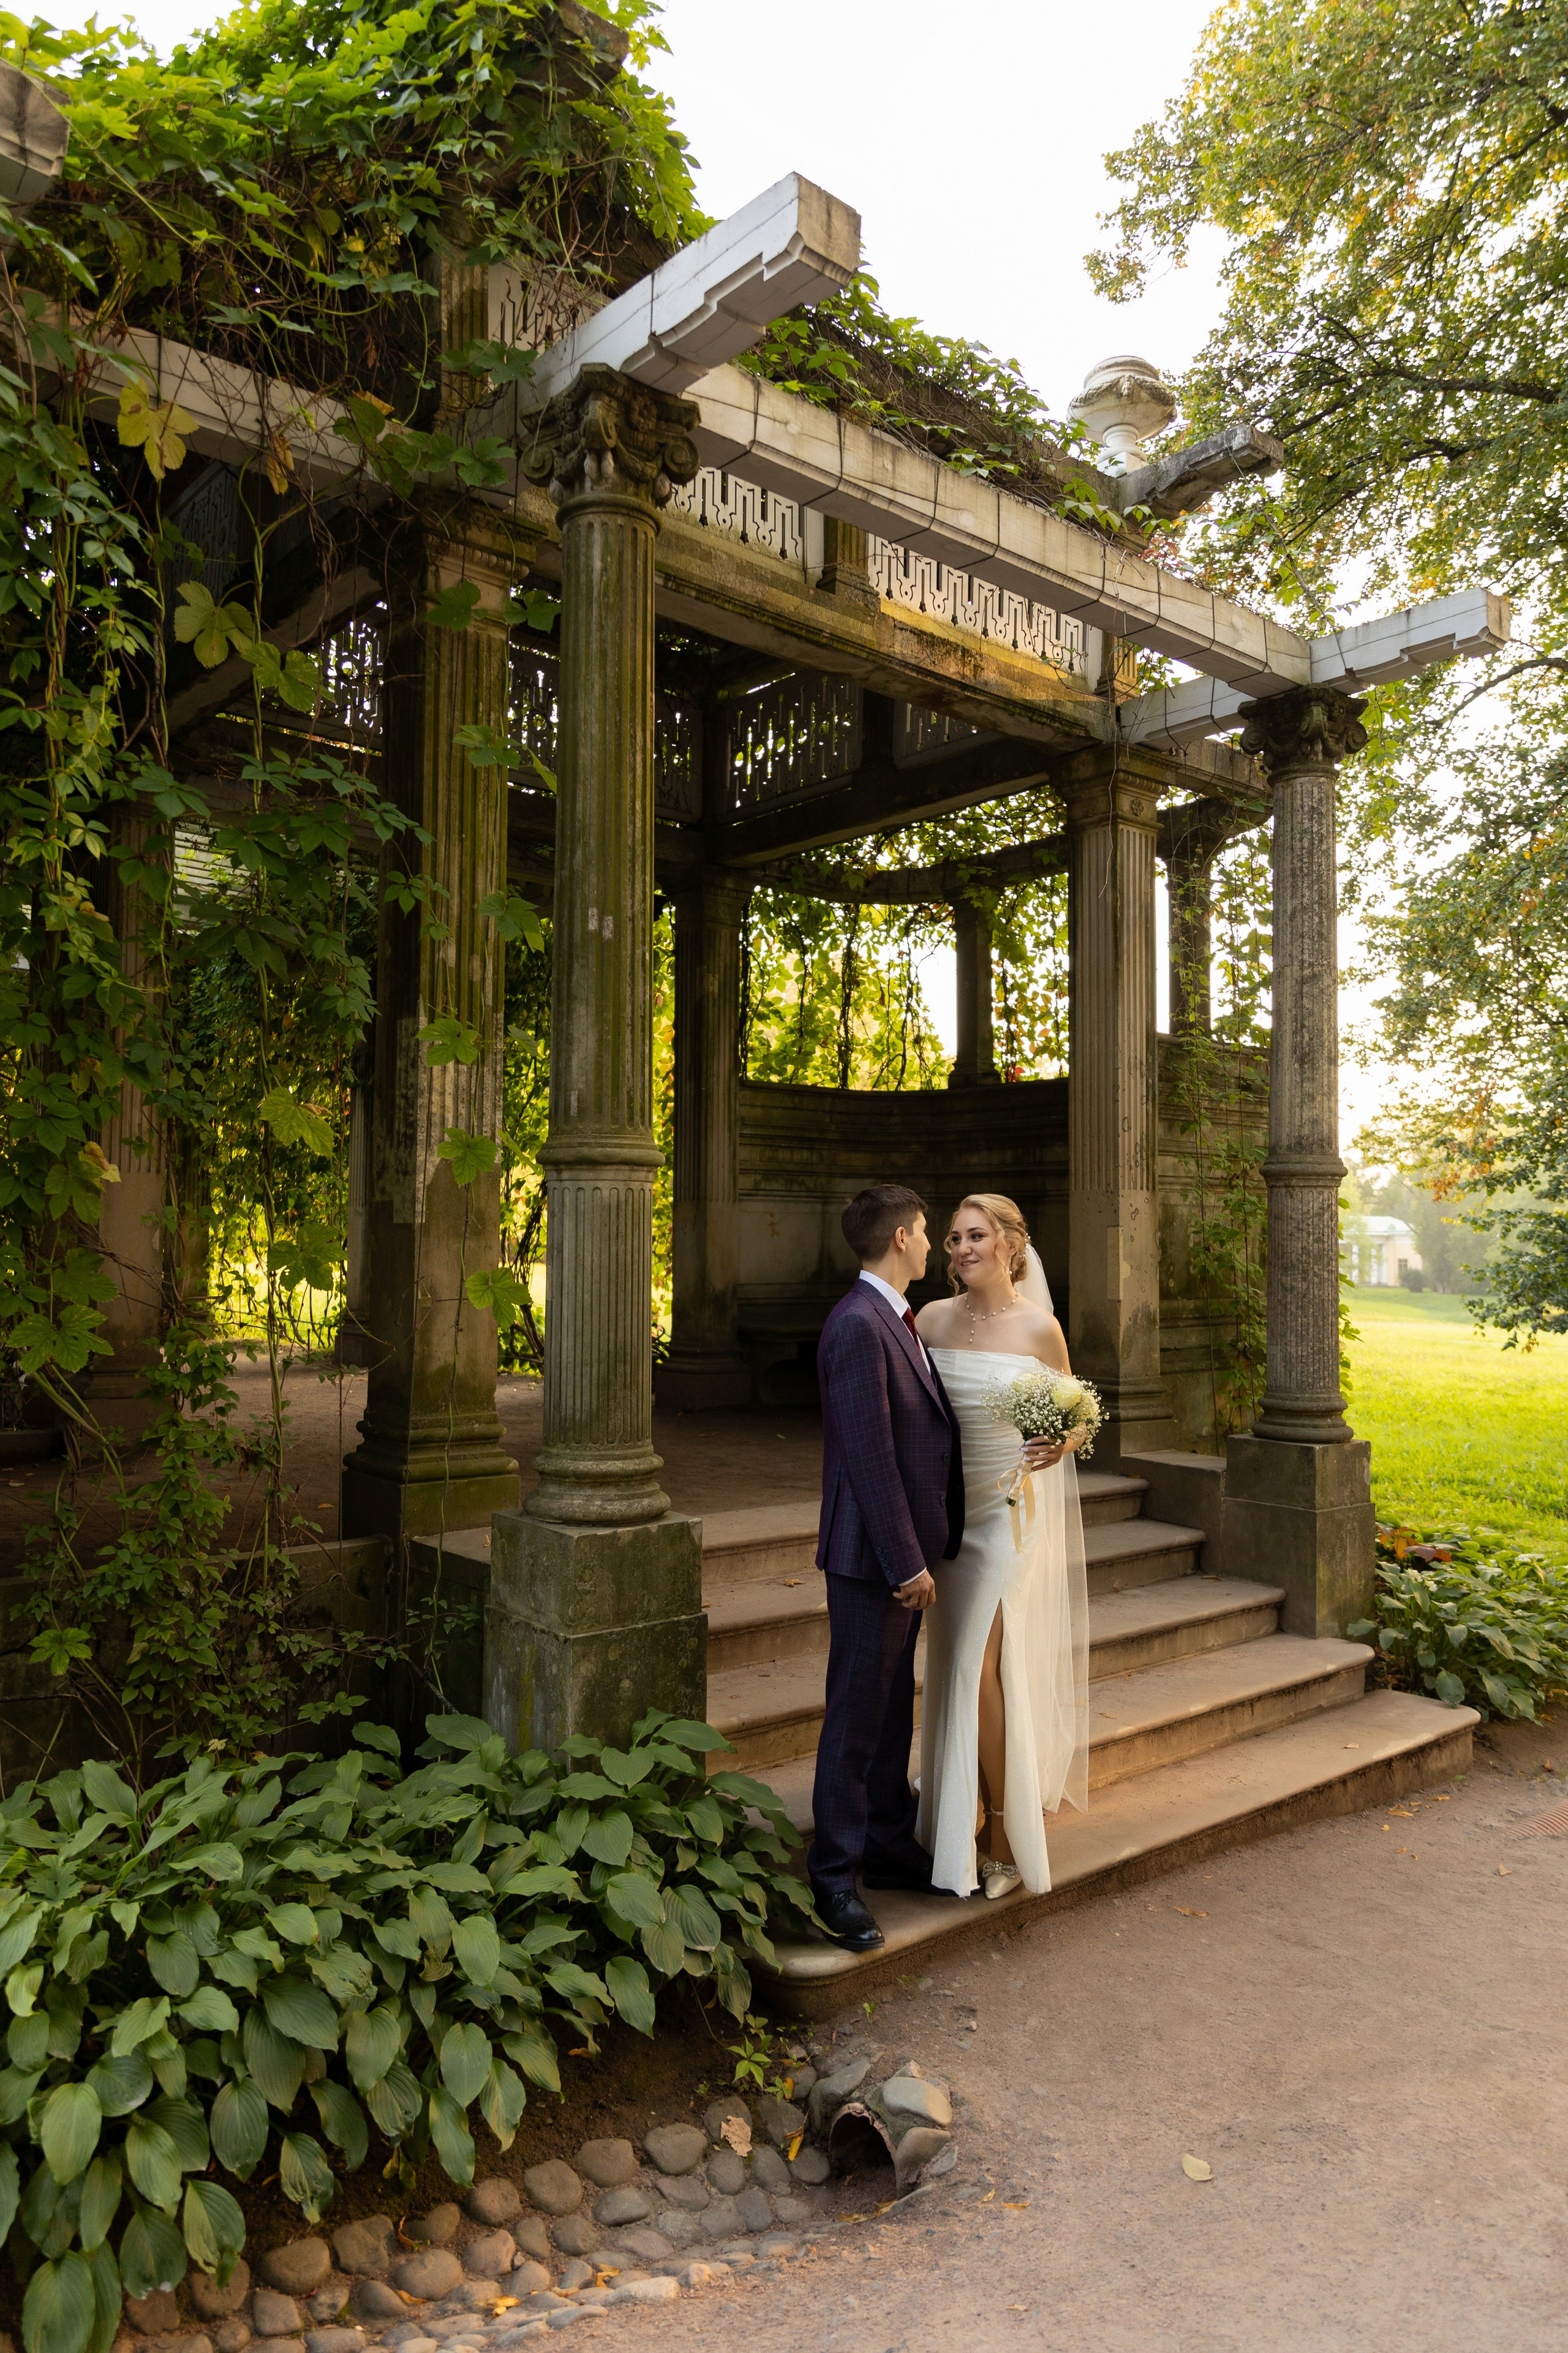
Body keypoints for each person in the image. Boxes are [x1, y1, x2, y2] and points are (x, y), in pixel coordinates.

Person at [914, 1193, 1090, 1900]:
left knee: (974, 1663)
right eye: (954, 1238)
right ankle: (958, 1810)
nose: (961, 1248)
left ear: (1011, 1245)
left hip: (1009, 1517)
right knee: (955, 1665)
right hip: (945, 1519)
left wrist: (1064, 1442)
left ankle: (1001, 1838)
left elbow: (1076, 1413)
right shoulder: (930, 1319)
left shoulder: (1039, 1328)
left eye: (976, 1236)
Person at [807, 1184, 963, 1953]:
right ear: (901, 1237)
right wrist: (906, 1563)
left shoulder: (893, 1318)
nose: (933, 1243)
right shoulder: (857, 1324)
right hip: (871, 1560)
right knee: (855, 1718)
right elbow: (869, 1458)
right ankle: (834, 1879)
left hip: (898, 1555)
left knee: (891, 1708)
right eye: (927, 1231)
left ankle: (889, 1845)